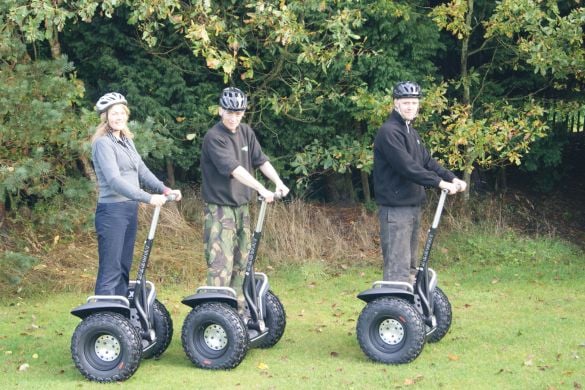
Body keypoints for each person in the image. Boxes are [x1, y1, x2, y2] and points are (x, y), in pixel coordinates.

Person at [200, 87, 289, 312]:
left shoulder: (246, 132)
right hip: (220, 211)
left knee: (242, 263)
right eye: (229, 112)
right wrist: (261, 188)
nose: (233, 117)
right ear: (220, 110)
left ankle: (237, 315)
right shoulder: (214, 137)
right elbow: (235, 170)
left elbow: (260, 160)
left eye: (238, 113)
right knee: (221, 265)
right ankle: (216, 316)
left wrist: (278, 182)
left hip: (242, 208)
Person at [373, 81, 466, 284]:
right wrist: (440, 183)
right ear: (396, 104)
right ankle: (394, 312)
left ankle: (411, 311)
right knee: (398, 268)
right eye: (406, 103)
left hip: (412, 206)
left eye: (414, 103)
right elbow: (407, 167)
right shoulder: (389, 132)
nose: (410, 107)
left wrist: (452, 177)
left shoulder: (410, 132)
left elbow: (426, 161)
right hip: (395, 209)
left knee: (411, 267)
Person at [91, 92, 182, 296]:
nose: (118, 117)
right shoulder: (102, 143)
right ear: (105, 116)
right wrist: (148, 198)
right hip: (112, 212)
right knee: (111, 269)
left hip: (129, 210)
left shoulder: (126, 140)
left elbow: (141, 170)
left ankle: (120, 319)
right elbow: (114, 181)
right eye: (113, 113)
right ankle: (101, 319)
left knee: (124, 266)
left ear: (127, 114)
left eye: (121, 113)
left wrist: (164, 189)